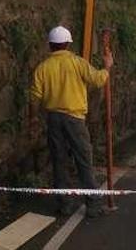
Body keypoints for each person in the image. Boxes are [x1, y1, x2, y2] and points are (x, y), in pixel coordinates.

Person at [30, 25, 114, 218]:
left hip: (53, 119)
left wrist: (33, 119)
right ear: (67, 44)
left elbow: (34, 97)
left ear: (50, 45)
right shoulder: (77, 63)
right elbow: (98, 80)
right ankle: (92, 205)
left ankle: (64, 205)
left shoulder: (43, 67)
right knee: (84, 160)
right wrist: (107, 67)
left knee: (59, 162)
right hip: (75, 119)